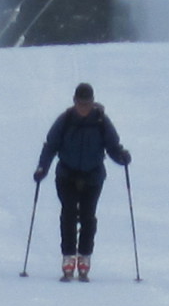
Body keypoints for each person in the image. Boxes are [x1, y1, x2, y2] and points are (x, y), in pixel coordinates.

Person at [33, 82, 130, 281]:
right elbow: (51, 146)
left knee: (88, 216)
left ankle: (84, 257)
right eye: (80, 103)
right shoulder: (66, 120)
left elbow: (112, 146)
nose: (83, 108)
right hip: (67, 175)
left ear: (93, 103)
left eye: (87, 104)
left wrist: (121, 156)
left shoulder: (102, 121)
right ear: (74, 102)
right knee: (68, 213)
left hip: (93, 176)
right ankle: (68, 257)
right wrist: (42, 168)